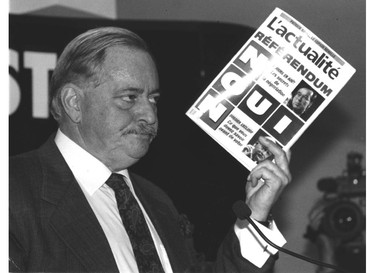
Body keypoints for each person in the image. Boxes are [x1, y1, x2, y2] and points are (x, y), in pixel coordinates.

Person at [9, 27, 292, 273]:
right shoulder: (13, 190)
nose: (150, 116)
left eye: (153, 99)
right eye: (129, 98)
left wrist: (256, 215)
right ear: (73, 103)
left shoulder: (156, 202)